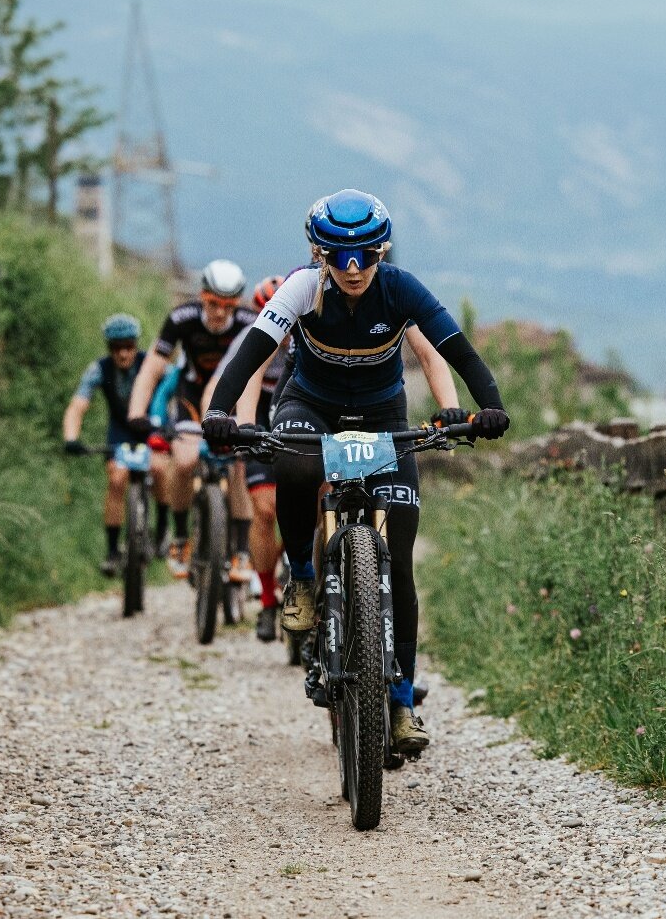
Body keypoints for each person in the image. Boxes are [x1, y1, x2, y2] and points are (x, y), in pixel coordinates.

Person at [203, 190, 508, 755]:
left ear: (381, 252)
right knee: (292, 465)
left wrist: (487, 404)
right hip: (309, 406)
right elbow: (251, 353)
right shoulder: (301, 288)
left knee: (403, 560)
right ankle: (300, 576)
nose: (353, 270)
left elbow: (454, 347)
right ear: (319, 255)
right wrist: (220, 413)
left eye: (366, 257)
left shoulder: (400, 288)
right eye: (340, 258)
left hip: (383, 414)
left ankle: (401, 703)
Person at [205, 273, 470, 643]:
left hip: (373, 411)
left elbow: (430, 353)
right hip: (303, 408)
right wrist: (244, 423)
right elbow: (252, 369)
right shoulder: (300, 306)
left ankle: (385, 645)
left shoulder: (391, 299)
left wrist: (451, 410)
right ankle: (296, 579)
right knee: (284, 491)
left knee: (380, 534)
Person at [126, 260, 258, 580]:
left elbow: (254, 373)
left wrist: (246, 421)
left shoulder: (248, 322)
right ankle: (181, 537)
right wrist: (136, 412)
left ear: (237, 303)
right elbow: (153, 368)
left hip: (232, 395)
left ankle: (241, 548)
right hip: (191, 395)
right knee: (184, 461)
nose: (220, 313)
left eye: (228, 306)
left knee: (238, 465)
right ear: (202, 295)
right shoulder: (181, 319)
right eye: (213, 304)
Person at [62, 314, 170, 575]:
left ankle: (164, 531)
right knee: (116, 479)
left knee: (159, 470)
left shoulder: (151, 364)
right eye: (116, 348)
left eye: (129, 346)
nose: (123, 354)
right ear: (109, 348)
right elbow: (78, 406)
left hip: (152, 428)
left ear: (136, 344)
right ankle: (112, 551)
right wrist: (71, 438)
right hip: (120, 432)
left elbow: (174, 390)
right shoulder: (98, 369)